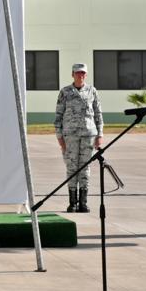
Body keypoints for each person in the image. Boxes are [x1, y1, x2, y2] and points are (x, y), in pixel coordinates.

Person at [54, 62, 104, 214]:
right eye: (77, 73)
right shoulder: (65, 92)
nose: (80, 75)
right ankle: (72, 203)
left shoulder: (92, 91)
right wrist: (59, 137)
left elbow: (98, 113)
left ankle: (83, 202)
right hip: (70, 136)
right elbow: (58, 116)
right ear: (72, 74)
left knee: (85, 168)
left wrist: (100, 134)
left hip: (89, 134)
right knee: (71, 168)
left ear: (86, 75)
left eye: (82, 73)